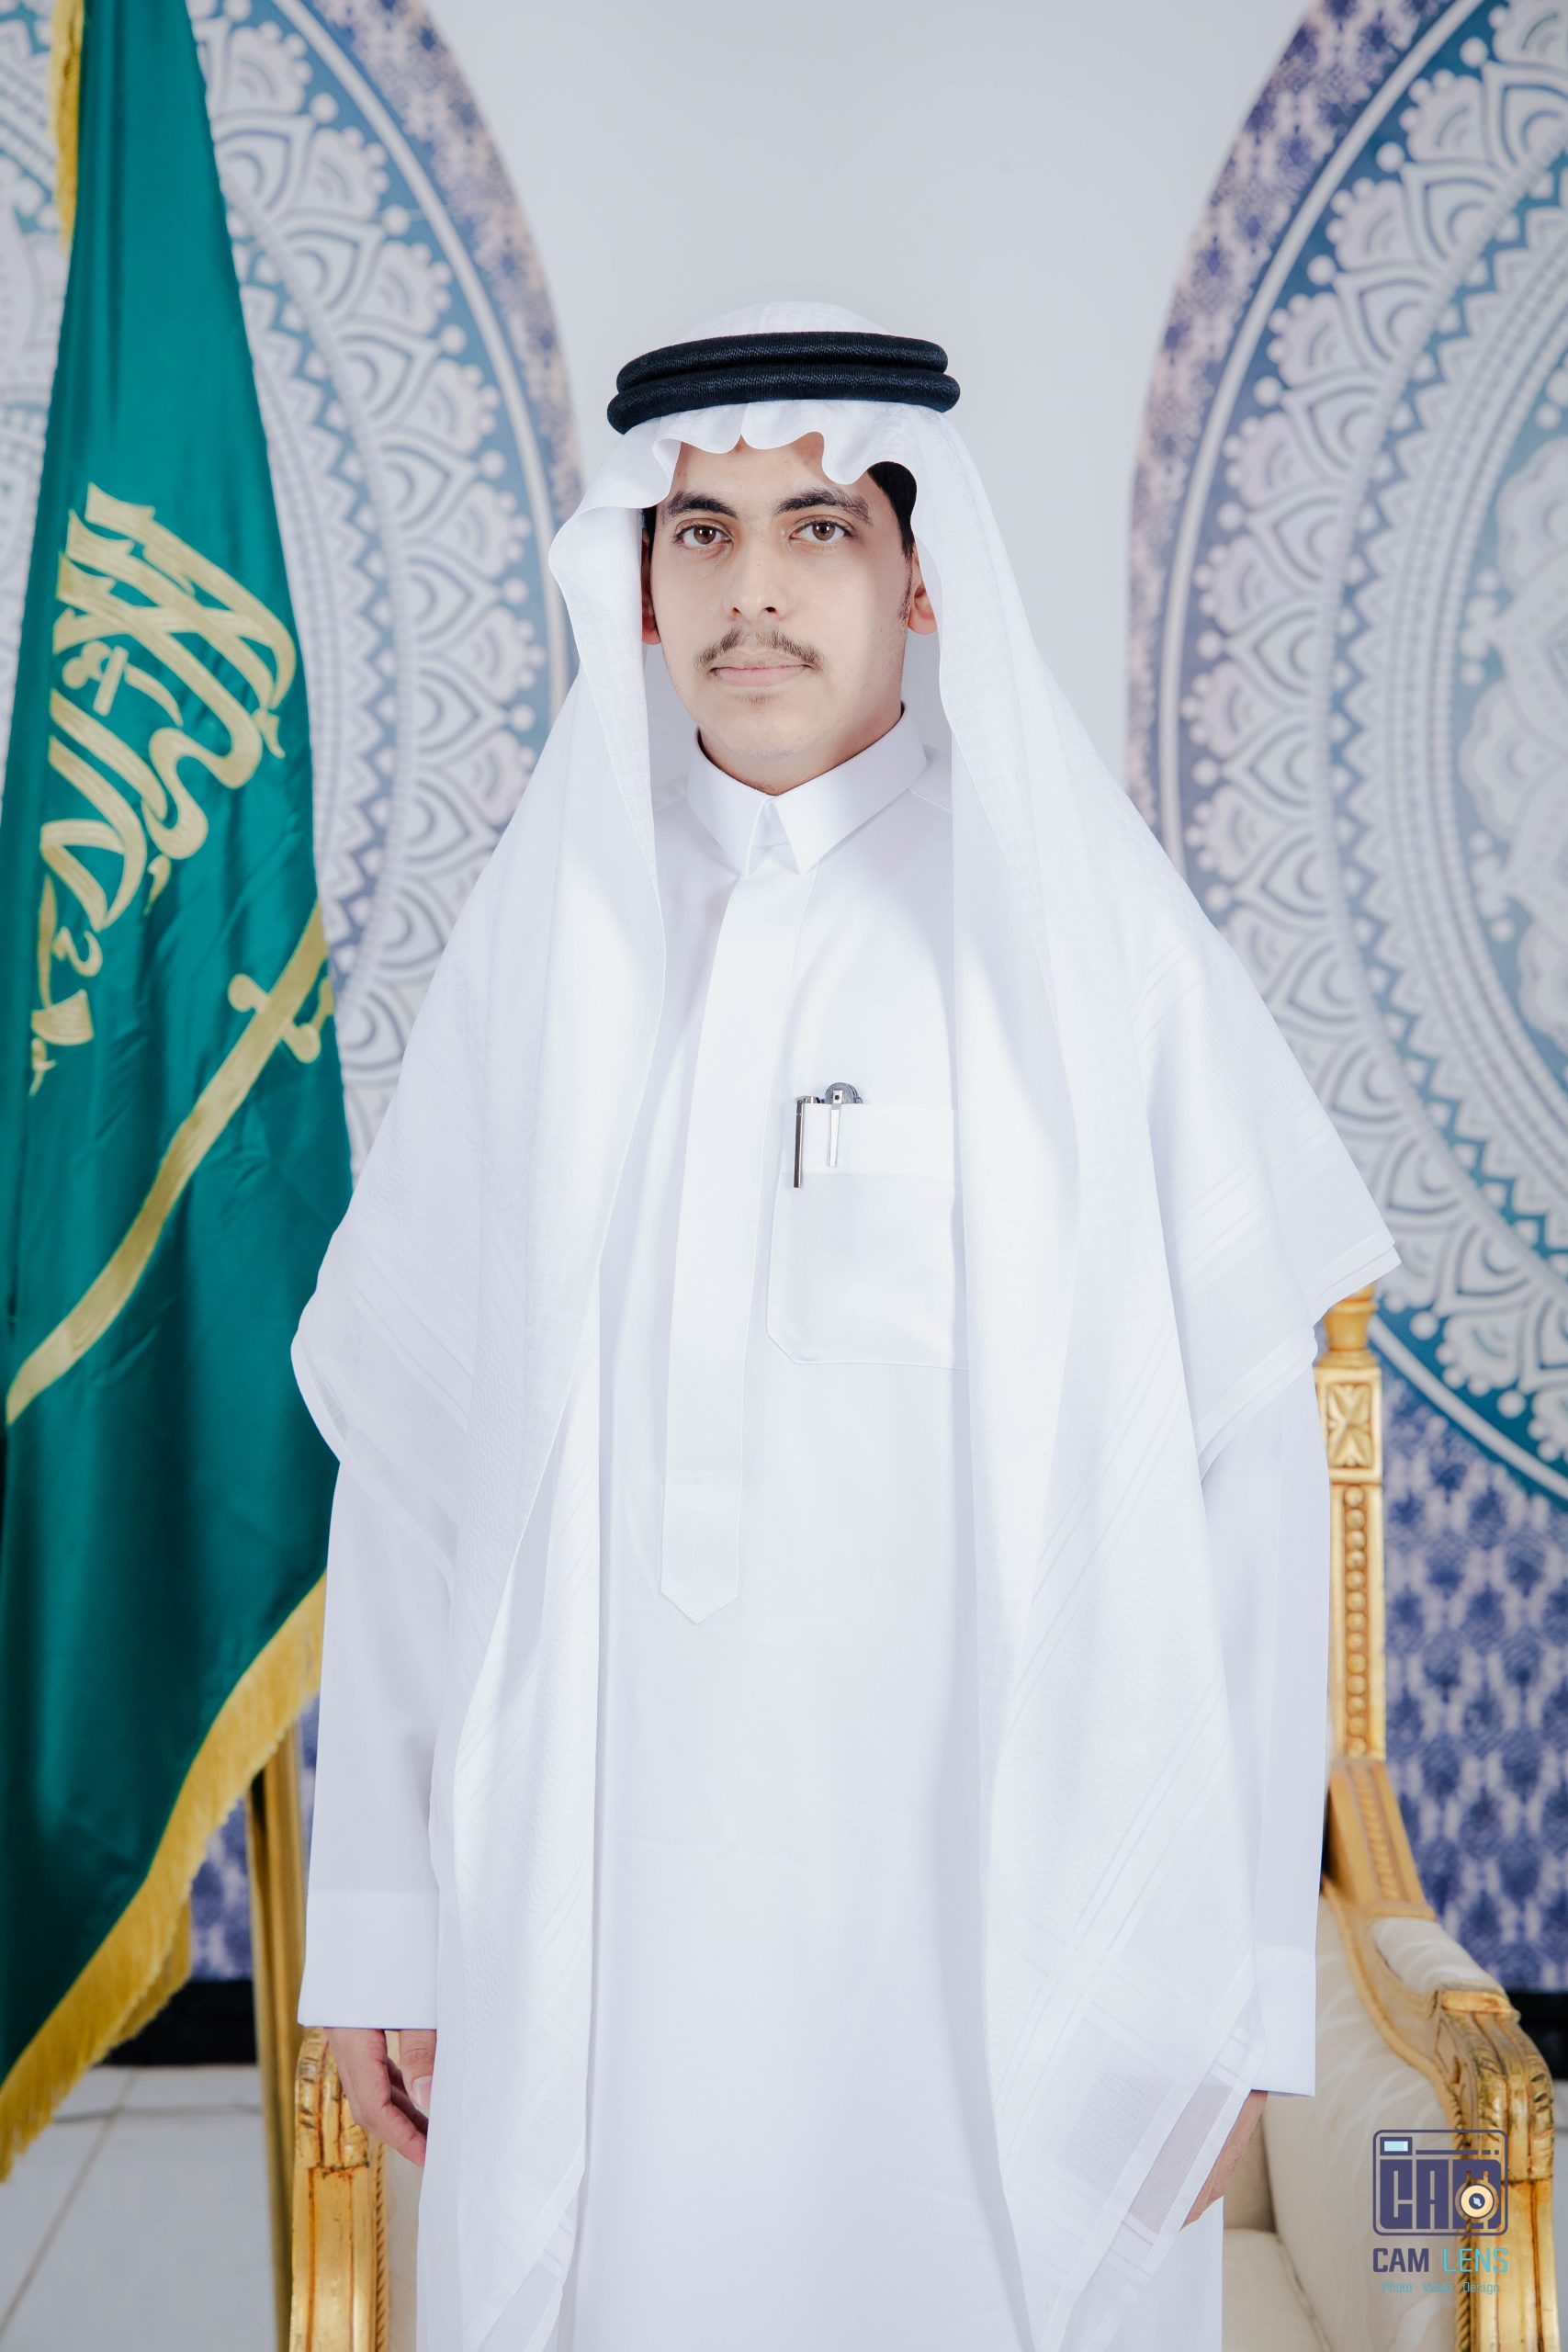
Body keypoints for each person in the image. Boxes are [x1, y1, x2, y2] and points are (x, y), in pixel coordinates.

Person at [293, 300, 1399, 2352]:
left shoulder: (1080, 943)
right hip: (615, 1937)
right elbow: (414, 1478)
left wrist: (1240, 1981)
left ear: (918, 570)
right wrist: (379, 1923)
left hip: (987, 1938)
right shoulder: (547, 946)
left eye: (815, 529)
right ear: (638, 583)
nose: (755, 593)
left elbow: (1246, 1480)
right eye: (700, 534)